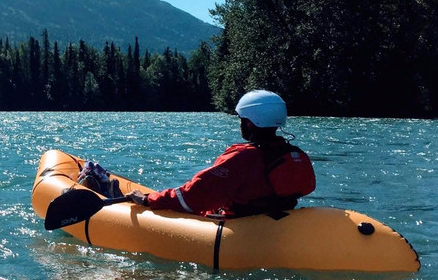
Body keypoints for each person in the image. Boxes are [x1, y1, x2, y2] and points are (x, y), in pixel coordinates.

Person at [129, 90, 315, 217]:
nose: (241, 123)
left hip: (239, 227)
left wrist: (148, 200)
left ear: (250, 123)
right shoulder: (293, 155)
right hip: (271, 221)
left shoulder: (241, 158)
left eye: (242, 119)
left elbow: (195, 195)